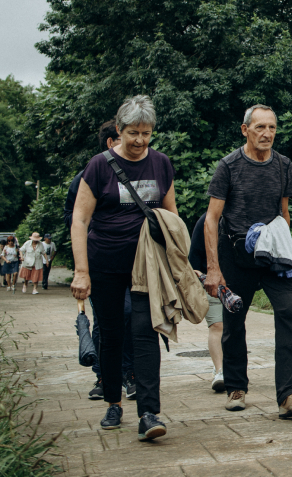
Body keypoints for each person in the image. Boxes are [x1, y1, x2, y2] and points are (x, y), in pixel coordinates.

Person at [70, 95, 175, 440]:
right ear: (119, 129)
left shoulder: (161, 164)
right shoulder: (99, 166)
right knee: (112, 335)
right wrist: (81, 271)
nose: (140, 140)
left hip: (147, 267)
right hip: (105, 264)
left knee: (146, 334)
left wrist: (177, 263)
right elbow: (80, 219)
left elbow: (171, 217)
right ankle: (113, 401)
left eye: (146, 133)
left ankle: (149, 412)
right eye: (133, 132)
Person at [204, 104, 292, 418]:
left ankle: (290, 394)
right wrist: (214, 269)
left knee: (288, 314)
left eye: (272, 128)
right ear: (245, 130)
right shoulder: (228, 166)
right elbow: (212, 220)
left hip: (274, 256)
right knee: (234, 323)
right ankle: (235, 387)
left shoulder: (283, 165)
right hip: (236, 255)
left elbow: (284, 215)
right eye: (260, 128)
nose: (266, 134)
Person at [65, 120, 135, 401]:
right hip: (100, 262)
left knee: (132, 316)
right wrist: (83, 266)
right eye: (126, 137)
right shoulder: (88, 177)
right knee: (108, 321)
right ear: (111, 142)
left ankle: (129, 374)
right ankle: (105, 376)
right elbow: (74, 221)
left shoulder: (141, 171)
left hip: (135, 262)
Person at [188, 212, 225, 392]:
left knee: (233, 327)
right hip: (210, 280)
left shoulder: (244, 217)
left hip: (236, 282)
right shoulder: (206, 220)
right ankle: (220, 370)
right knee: (217, 325)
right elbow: (194, 251)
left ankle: (232, 368)